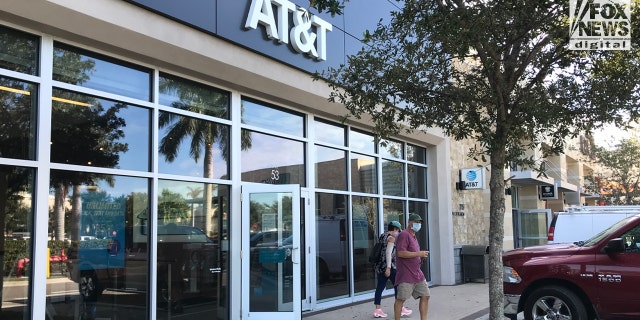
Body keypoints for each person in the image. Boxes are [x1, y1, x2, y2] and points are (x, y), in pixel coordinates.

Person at [373, 221, 413, 318]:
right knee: (398, 287)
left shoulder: (383, 236)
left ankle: (377, 309)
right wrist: (388, 268)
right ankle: (401, 308)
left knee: (380, 287)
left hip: (380, 266)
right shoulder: (391, 238)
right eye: (398, 230)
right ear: (395, 229)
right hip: (389, 267)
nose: (398, 232)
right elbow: (388, 253)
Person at [394, 213, 430, 320]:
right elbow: (400, 253)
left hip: (417, 273)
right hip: (406, 274)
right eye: (416, 222)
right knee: (401, 299)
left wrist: (421, 257)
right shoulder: (404, 235)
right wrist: (419, 254)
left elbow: (413, 253)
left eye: (419, 222)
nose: (418, 224)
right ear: (410, 223)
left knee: (426, 295)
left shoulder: (413, 236)